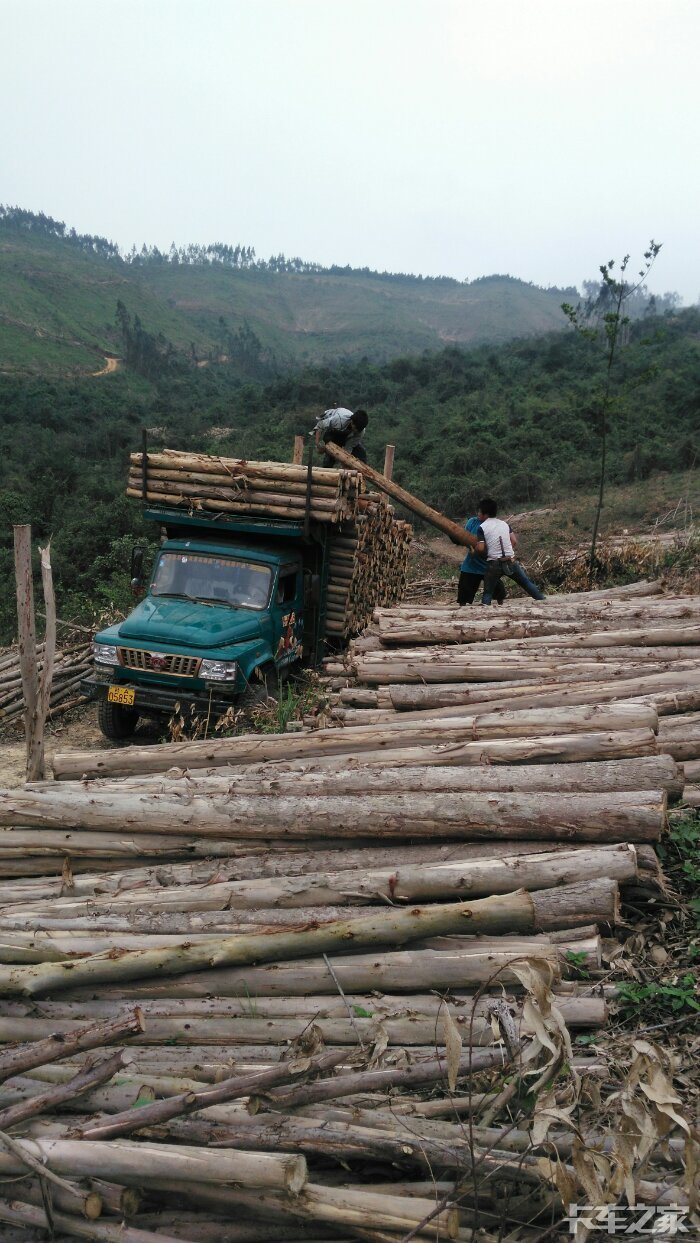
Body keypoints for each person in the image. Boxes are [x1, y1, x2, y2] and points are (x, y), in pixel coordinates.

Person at [475, 497, 546, 606]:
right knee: (526, 583)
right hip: (510, 560)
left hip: (494, 562)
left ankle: (485, 608)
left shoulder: (482, 527)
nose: (478, 514)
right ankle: (541, 599)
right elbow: (514, 541)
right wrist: (507, 552)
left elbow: (480, 548)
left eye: (479, 511)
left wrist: (474, 549)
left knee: (488, 591)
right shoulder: (505, 524)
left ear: (485, 513)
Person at [458, 516, 506, 605]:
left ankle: (500, 604)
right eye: (479, 511)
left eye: (482, 512)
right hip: (471, 564)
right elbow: (465, 537)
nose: (479, 514)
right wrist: (471, 548)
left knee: (498, 591)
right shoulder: (472, 522)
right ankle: (462, 607)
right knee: (464, 593)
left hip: (488, 565)